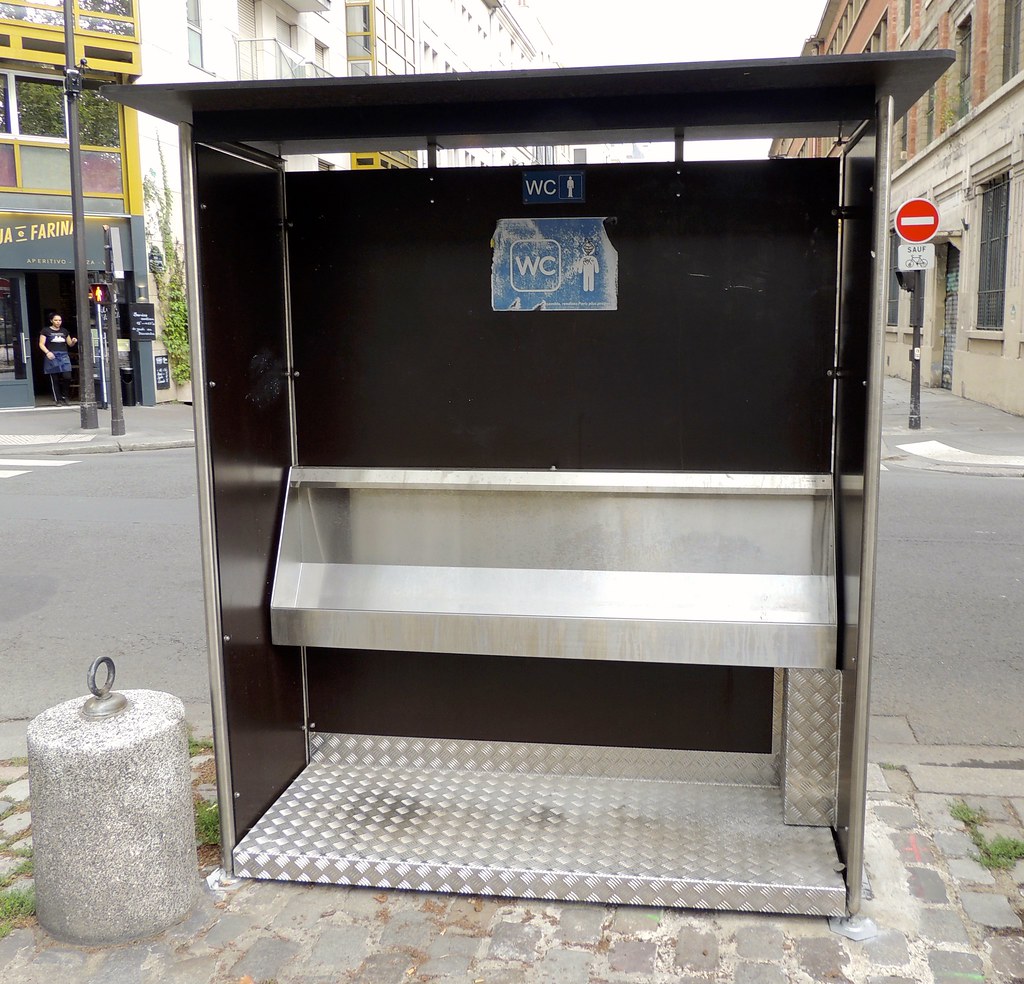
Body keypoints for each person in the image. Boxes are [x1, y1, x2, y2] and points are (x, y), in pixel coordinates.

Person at [39, 312, 77, 406]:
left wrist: (73, 341)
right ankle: (58, 399)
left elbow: (69, 344)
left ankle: (65, 396)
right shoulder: (46, 331)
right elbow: (41, 344)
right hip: (52, 355)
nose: (58, 322)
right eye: (56, 320)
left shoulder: (64, 331)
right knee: (54, 378)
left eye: (60, 320)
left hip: (64, 355)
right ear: (51, 321)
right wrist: (47, 352)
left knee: (67, 376)